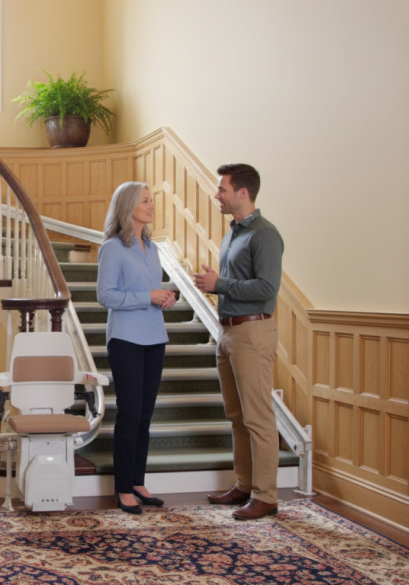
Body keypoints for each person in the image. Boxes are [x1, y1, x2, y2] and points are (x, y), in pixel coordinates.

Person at [193, 163, 284, 521]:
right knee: (236, 416)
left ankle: (267, 496)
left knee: (258, 417)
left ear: (242, 193)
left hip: (253, 332)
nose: (217, 195)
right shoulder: (232, 233)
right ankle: (245, 485)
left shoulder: (265, 235)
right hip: (228, 331)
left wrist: (221, 285)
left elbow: (267, 288)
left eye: (222, 189)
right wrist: (219, 286)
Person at [97, 181, 176, 514]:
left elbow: (151, 291)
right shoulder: (113, 248)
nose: (151, 205)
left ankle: (138, 480)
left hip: (155, 338)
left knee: (144, 416)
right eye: (145, 200)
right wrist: (147, 297)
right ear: (128, 205)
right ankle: (123, 487)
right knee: (128, 415)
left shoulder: (153, 248)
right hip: (126, 340)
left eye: (151, 201)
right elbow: (106, 296)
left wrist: (164, 297)